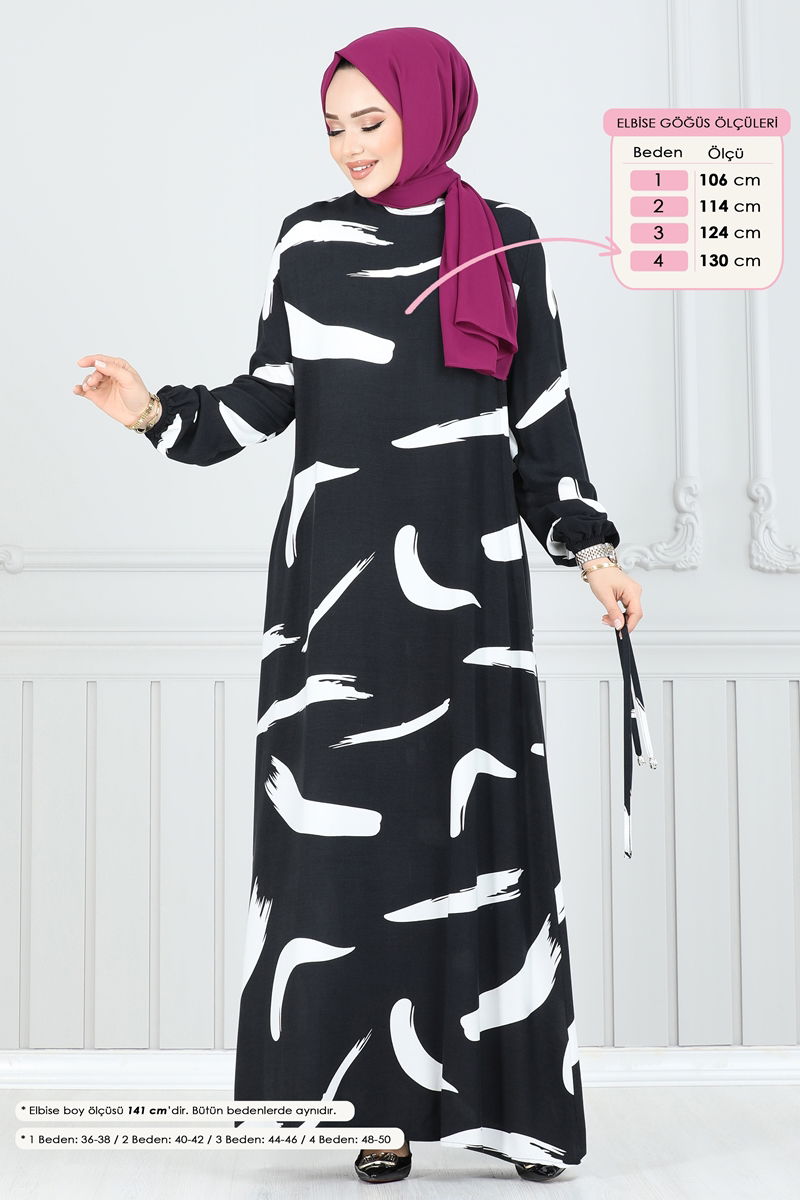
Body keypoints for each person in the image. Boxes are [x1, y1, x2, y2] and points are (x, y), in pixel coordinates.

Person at [74, 26, 643, 1185]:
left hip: (469, 602)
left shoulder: (507, 242)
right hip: (330, 599)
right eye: (332, 127)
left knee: (480, 844)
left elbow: (540, 422)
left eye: (369, 122)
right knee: (343, 857)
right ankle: (365, 1115)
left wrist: (591, 553)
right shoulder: (308, 242)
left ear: (430, 112)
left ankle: (513, 1117)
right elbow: (262, 401)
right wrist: (151, 414)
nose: (347, 147)